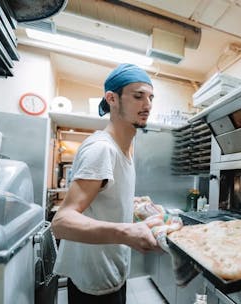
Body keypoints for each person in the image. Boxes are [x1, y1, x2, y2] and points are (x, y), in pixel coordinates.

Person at [52, 63, 162, 304]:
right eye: (138, 96)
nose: (148, 105)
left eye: (151, 97)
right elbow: (61, 223)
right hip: (93, 281)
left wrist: (132, 204)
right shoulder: (102, 149)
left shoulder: (127, 148)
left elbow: (103, 197)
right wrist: (127, 232)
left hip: (114, 271)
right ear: (112, 98)